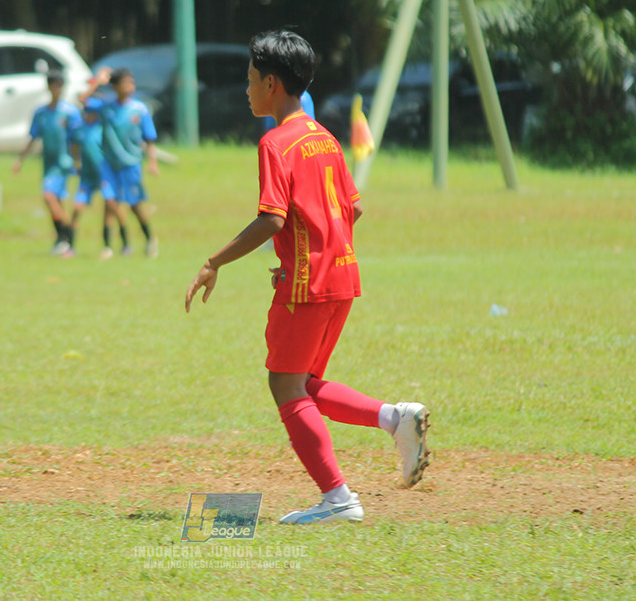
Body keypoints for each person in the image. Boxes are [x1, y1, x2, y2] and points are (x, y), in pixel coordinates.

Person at [185, 30, 430, 525]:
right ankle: (395, 418)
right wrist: (317, 244)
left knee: (285, 386)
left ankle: (338, 499)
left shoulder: (276, 143)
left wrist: (214, 261)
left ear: (272, 83)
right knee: (305, 383)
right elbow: (353, 209)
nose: (246, 90)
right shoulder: (325, 137)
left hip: (305, 286)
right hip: (342, 280)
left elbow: (272, 218)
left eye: (250, 80)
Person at [80, 67, 159, 258]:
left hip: (130, 164)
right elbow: (83, 100)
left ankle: (150, 238)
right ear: (115, 87)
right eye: (126, 83)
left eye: (131, 82)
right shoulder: (106, 108)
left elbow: (149, 138)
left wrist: (152, 161)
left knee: (134, 205)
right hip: (109, 164)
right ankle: (108, 246)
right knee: (110, 202)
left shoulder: (139, 109)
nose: (131, 86)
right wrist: (98, 81)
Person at [14, 70, 82, 256]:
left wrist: (77, 162)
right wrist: (21, 160)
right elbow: (33, 137)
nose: (57, 90)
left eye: (60, 86)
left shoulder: (69, 112)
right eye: (54, 86)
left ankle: (64, 239)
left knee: (48, 196)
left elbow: (76, 140)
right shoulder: (41, 113)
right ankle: (66, 242)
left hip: (63, 163)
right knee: (58, 203)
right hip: (49, 163)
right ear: (49, 87)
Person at [70, 99, 124, 259]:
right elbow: (74, 146)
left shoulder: (103, 129)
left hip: (104, 175)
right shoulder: (79, 129)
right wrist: (77, 163)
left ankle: (116, 244)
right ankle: (70, 246)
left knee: (111, 206)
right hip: (86, 176)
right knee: (77, 208)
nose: (89, 115)